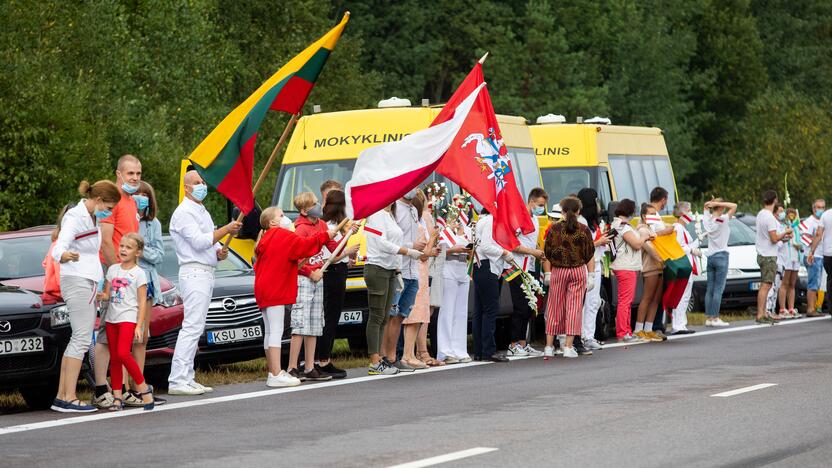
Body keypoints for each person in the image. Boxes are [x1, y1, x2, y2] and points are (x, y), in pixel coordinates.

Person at [167, 170, 241, 395]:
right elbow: (199, 242)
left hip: (206, 271)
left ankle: (187, 376)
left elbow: (211, 241)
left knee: (197, 326)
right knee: (191, 326)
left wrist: (220, 251)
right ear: (187, 187)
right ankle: (177, 379)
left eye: (202, 182)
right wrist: (226, 229)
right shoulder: (183, 213)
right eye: (197, 182)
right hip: (193, 272)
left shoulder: (202, 210)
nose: (202, 185)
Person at [51, 179, 121, 412]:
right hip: (76, 278)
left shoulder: (92, 218)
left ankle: (63, 395)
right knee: (81, 338)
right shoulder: (75, 216)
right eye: (109, 207)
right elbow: (59, 245)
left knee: (79, 338)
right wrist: (65, 255)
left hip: (88, 280)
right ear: (99, 200)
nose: (109, 212)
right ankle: (68, 397)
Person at [255, 206, 339, 387]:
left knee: (269, 332)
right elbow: (305, 245)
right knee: (276, 331)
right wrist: (327, 235)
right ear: (272, 222)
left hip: (263, 288)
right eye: (282, 215)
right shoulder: (281, 235)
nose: (286, 218)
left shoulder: (267, 239)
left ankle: (272, 371)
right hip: (275, 288)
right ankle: (277, 374)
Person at [93, 154, 142, 408]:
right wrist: (115, 273)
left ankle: (120, 389)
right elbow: (105, 240)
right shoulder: (113, 202)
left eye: (138, 174)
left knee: (123, 332)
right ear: (118, 174)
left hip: (126, 276)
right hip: (111, 274)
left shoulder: (133, 202)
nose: (134, 178)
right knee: (106, 333)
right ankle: (101, 388)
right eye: (130, 173)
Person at [363, 203, 425, 375]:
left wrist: (398, 270)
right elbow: (382, 243)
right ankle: (374, 360)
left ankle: (381, 358)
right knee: (376, 316)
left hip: (390, 269)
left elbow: (394, 242)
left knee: (384, 316)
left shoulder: (389, 215)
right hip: (377, 267)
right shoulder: (375, 215)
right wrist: (407, 251)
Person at [98, 233, 155, 411]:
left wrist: (139, 325)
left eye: (128, 247)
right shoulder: (113, 270)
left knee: (123, 353)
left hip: (128, 318)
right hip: (111, 319)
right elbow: (107, 294)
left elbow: (142, 301)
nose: (123, 249)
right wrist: (100, 295)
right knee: (114, 359)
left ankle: (143, 388)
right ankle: (117, 398)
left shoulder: (139, 274)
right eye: (121, 246)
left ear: (138, 253)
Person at [288, 192, 340, 382]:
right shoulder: (299, 229)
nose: (319, 206)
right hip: (304, 278)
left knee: (315, 323)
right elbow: (297, 258)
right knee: (301, 322)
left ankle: (310, 367)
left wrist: (347, 235)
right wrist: (310, 272)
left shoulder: (322, 224)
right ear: (304, 210)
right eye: (314, 204)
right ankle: (293, 366)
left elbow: (334, 247)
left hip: (319, 277)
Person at [123, 181, 166, 407]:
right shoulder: (126, 218)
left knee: (142, 336)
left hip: (147, 281)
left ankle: (139, 385)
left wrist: (139, 250)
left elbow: (158, 255)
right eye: (137, 194)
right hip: (127, 282)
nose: (140, 198)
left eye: (144, 195)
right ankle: (123, 388)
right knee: (125, 335)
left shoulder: (153, 223)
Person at [382, 190, 429, 371]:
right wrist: (411, 246)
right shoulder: (394, 208)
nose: (414, 190)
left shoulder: (413, 209)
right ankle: (385, 356)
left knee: (401, 315)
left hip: (413, 270)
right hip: (399, 269)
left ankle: (395, 356)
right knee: (391, 315)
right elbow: (390, 240)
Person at [542, 197, 595, 358]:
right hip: (578, 270)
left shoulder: (554, 229)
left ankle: (549, 347)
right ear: (579, 211)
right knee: (574, 308)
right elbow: (589, 253)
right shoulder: (584, 230)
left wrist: (548, 272)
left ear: (562, 211)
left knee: (554, 306)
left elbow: (547, 252)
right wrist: (591, 274)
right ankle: (568, 346)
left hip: (558, 270)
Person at [317, 189, 359, 379]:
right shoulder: (327, 225)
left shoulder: (337, 224)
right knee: (329, 316)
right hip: (331, 273)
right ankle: (322, 359)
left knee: (333, 317)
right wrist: (347, 248)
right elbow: (330, 257)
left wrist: (348, 249)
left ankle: (323, 356)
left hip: (339, 271)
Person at [506, 188, 547, 358]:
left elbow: (531, 242)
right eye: (539, 205)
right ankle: (513, 343)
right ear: (530, 202)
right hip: (517, 266)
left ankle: (523, 342)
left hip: (530, 266)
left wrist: (538, 252)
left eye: (543, 206)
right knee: (520, 306)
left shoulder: (535, 220)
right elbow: (512, 244)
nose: (541, 208)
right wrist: (532, 252)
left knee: (531, 306)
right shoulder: (518, 217)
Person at [473, 207, 512, 362]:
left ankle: (480, 351)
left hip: (481, 266)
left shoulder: (483, 220)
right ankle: (488, 350)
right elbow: (486, 247)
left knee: (480, 310)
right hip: (487, 266)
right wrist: (504, 253)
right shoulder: (490, 221)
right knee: (490, 310)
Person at [609, 200, 651, 342]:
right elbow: (637, 244)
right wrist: (645, 236)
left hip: (622, 265)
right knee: (625, 302)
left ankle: (626, 330)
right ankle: (623, 332)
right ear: (630, 211)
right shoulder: (624, 227)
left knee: (625, 301)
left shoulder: (616, 224)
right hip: (626, 266)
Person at [401, 191, 434, 369]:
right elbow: (423, 254)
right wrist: (434, 238)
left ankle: (410, 353)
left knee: (415, 315)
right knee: (415, 315)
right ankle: (408, 354)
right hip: (417, 270)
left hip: (417, 270)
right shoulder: (419, 226)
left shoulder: (415, 223)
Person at [576, 188, 611, 350]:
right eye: (596, 200)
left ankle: (589, 335)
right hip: (584, 266)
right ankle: (581, 335)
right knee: (583, 302)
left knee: (593, 302)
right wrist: (599, 241)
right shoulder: (581, 221)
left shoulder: (593, 222)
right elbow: (581, 246)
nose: (598, 204)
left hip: (596, 263)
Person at [436, 216, 472, 364]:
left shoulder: (469, 230)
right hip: (449, 267)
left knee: (461, 312)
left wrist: (471, 251)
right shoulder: (446, 230)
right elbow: (440, 250)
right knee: (447, 311)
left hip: (464, 268)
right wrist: (453, 250)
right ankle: (445, 351)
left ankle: (460, 350)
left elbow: (473, 251)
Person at [755, 190, 790, 325]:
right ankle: (761, 314)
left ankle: (763, 313)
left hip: (762, 253)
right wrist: (785, 233)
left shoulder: (760, 214)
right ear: (775, 200)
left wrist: (782, 238)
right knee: (766, 285)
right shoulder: (769, 217)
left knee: (766, 285)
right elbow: (774, 238)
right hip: (769, 255)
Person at [702, 198, 737, 327]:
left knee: (710, 288)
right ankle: (715, 317)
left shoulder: (707, 220)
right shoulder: (722, 220)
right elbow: (734, 205)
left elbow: (705, 209)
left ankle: (709, 318)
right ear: (720, 208)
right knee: (718, 289)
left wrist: (708, 206)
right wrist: (718, 203)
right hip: (721, 256)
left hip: (710, 257)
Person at [668, 202, 702, 334]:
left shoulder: (683, 228)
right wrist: (692, 250)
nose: (691, 213)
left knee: (685, 295)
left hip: (687, 264)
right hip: (683, 265)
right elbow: (677, 247)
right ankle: (677, 325)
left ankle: (681, 324)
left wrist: (699, 239)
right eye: (689, 210)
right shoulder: (677, 227)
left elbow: (685, 244)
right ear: (683, 213)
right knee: (682, 295)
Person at [634, 204, 665, 342]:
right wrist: (663, 258)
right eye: (651, 214)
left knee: (656, 299)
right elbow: (650, 249)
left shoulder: (652, 229)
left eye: (655, 213)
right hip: (650, 267)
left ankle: (648, 328)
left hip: (659, 267)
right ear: (643, 216)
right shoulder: (642, 229)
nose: (654, 216)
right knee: (647, 298)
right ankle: (638, 329)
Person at [42, 204, 72, 304]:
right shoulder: (62, 246)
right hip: (61, 298)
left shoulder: (55, 243)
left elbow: (45, 264)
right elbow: (61, 276)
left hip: (52, 297)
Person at [777, 207, 803, 318]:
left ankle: (791, 308)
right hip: (786, 258)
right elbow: (779, 241)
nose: (792, 217)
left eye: (793, 215)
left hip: (795, 258)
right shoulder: (783, 227)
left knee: (792, 284)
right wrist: (787, 235)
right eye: (790, 214)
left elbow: (801, 243)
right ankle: (782, 309)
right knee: (784, 284)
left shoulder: (797, 228)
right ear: (787, 216)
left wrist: (799, 245)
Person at [803, 199, 826, 317]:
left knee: (818, 284)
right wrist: (816, 238)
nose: (821, 209)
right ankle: (810, 309)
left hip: (821, 255)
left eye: (823, 207)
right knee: (813, 283)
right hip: (812, 256)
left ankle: (815, 307)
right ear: (813, 208)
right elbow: (805, 239)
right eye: (818, 207)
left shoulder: (824, 221)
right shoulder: (809, 221)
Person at [766, 204, 787, 317]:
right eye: (780, 211)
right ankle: (768, 310)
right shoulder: (773, 224)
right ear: (775, 213)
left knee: (777, 286)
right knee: (772, 286)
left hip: (782, 260)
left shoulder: (781, 224)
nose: (783, 213)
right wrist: (783, 239)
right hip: (776, 259)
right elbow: (774, 242)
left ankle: (772, 310)